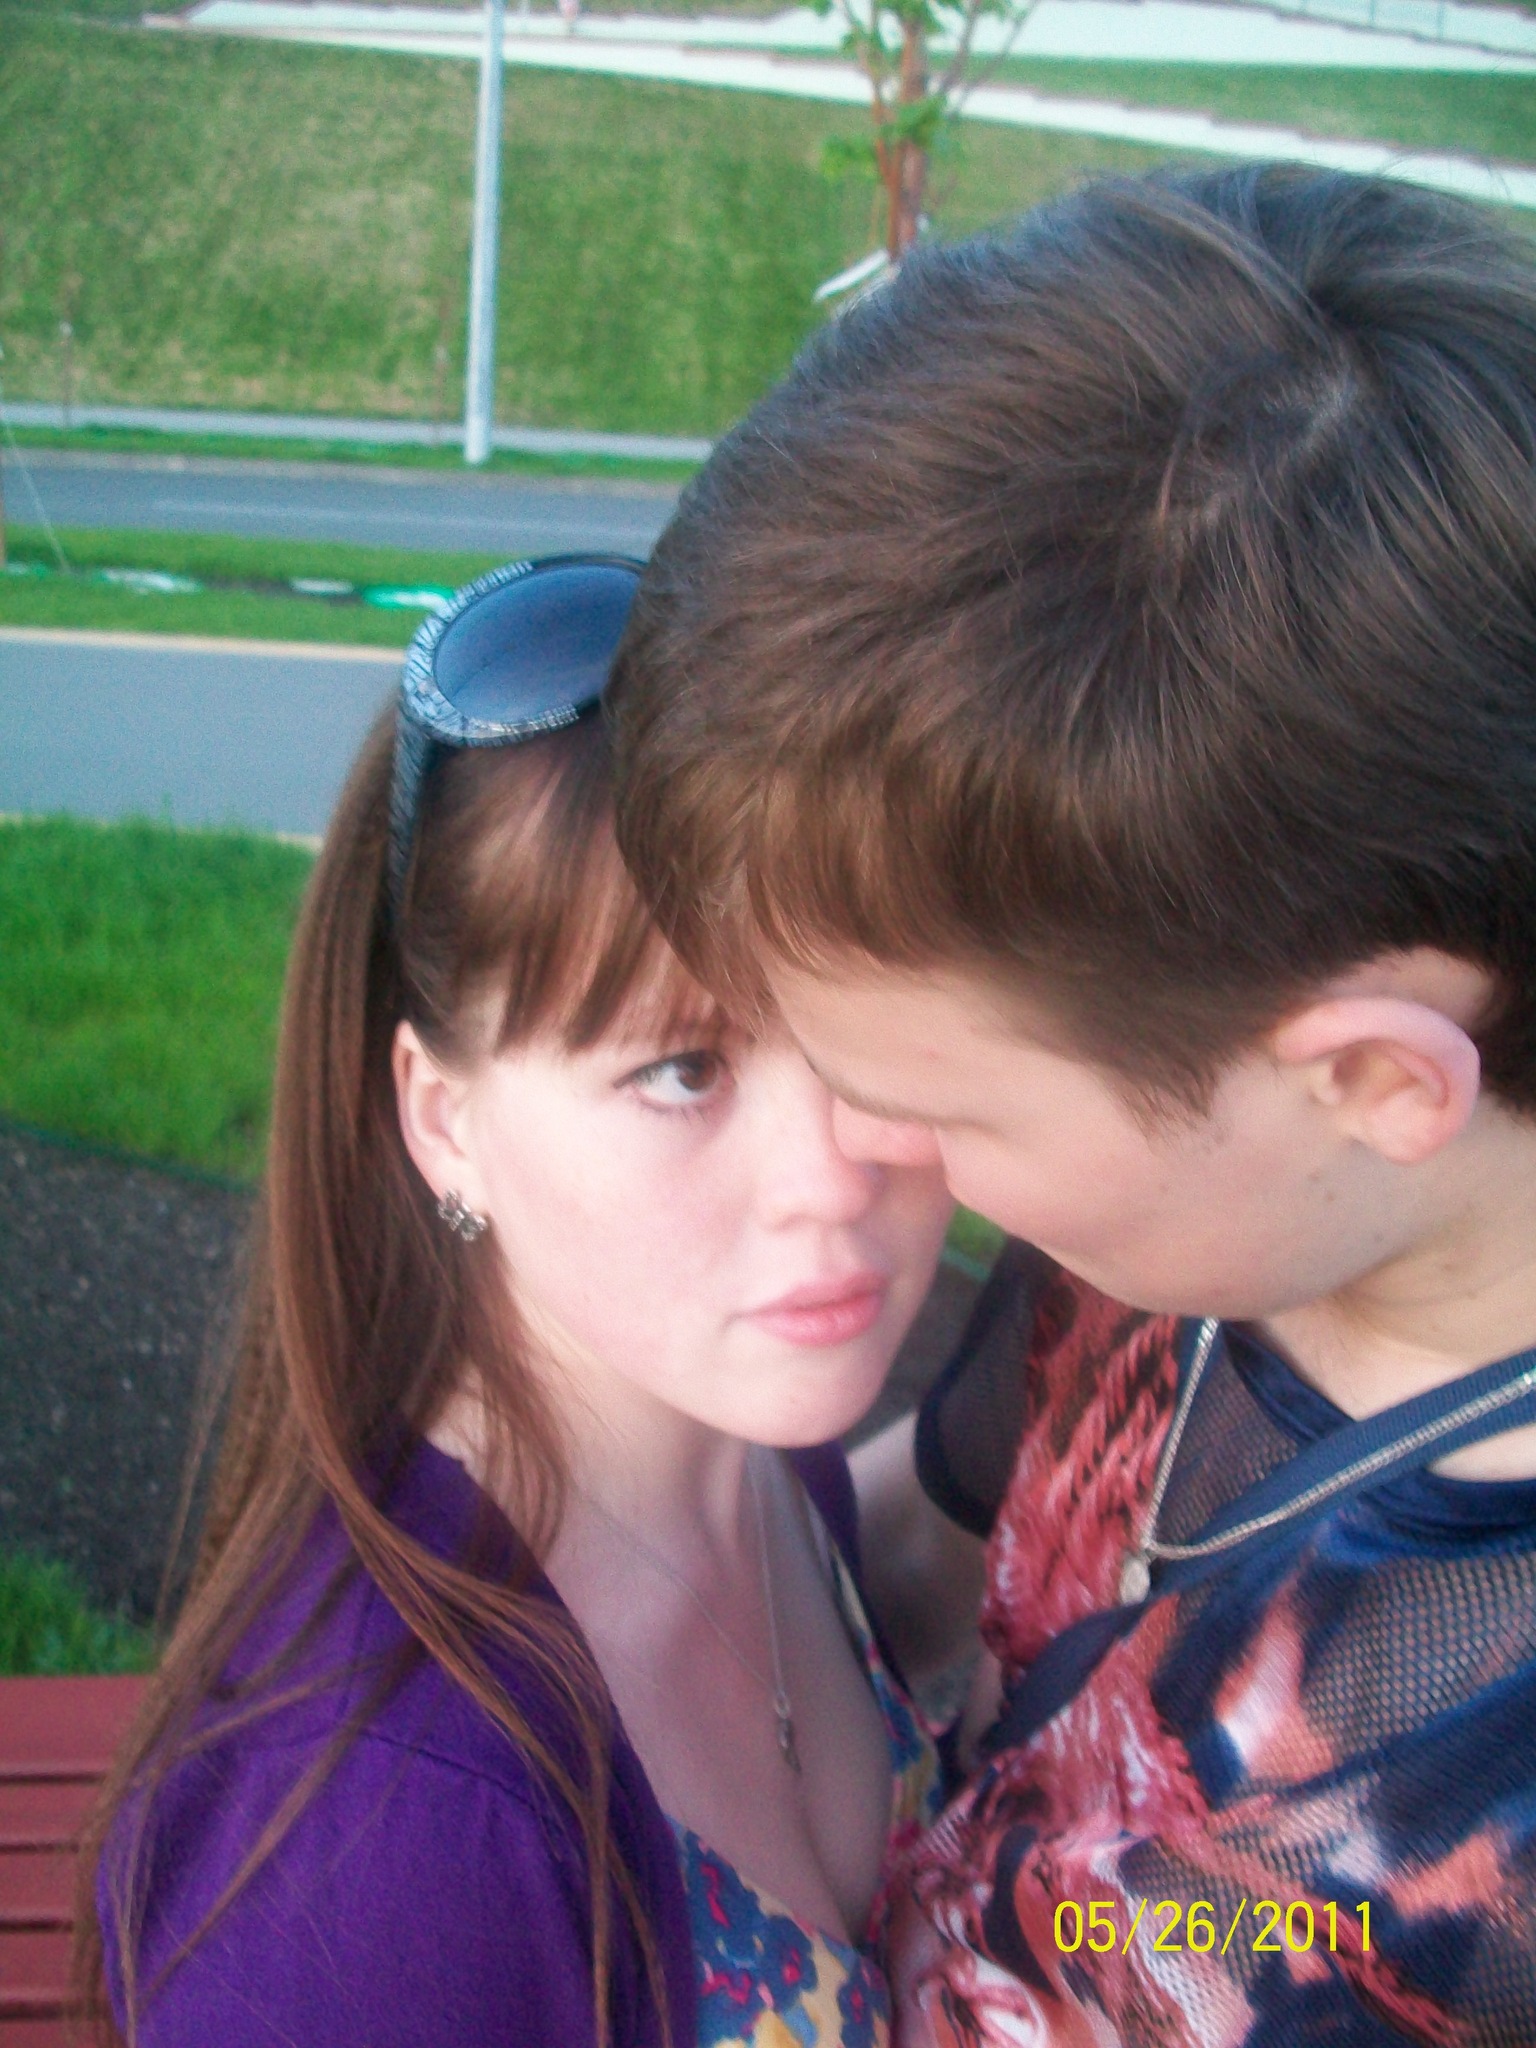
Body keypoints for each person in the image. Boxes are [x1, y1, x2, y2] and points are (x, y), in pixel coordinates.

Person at [605, 166, 1536, 2045]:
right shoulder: (1180, 1227)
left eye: (928, 1106)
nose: (864, 1152)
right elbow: (917, 1553)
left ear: (1368, 1081)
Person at [83, 556, 956, 2048]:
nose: (836, 1174)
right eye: (682, 1070)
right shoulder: (378, 1860)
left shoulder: (744, 1440)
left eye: (873, 1043)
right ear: (446, 1121)